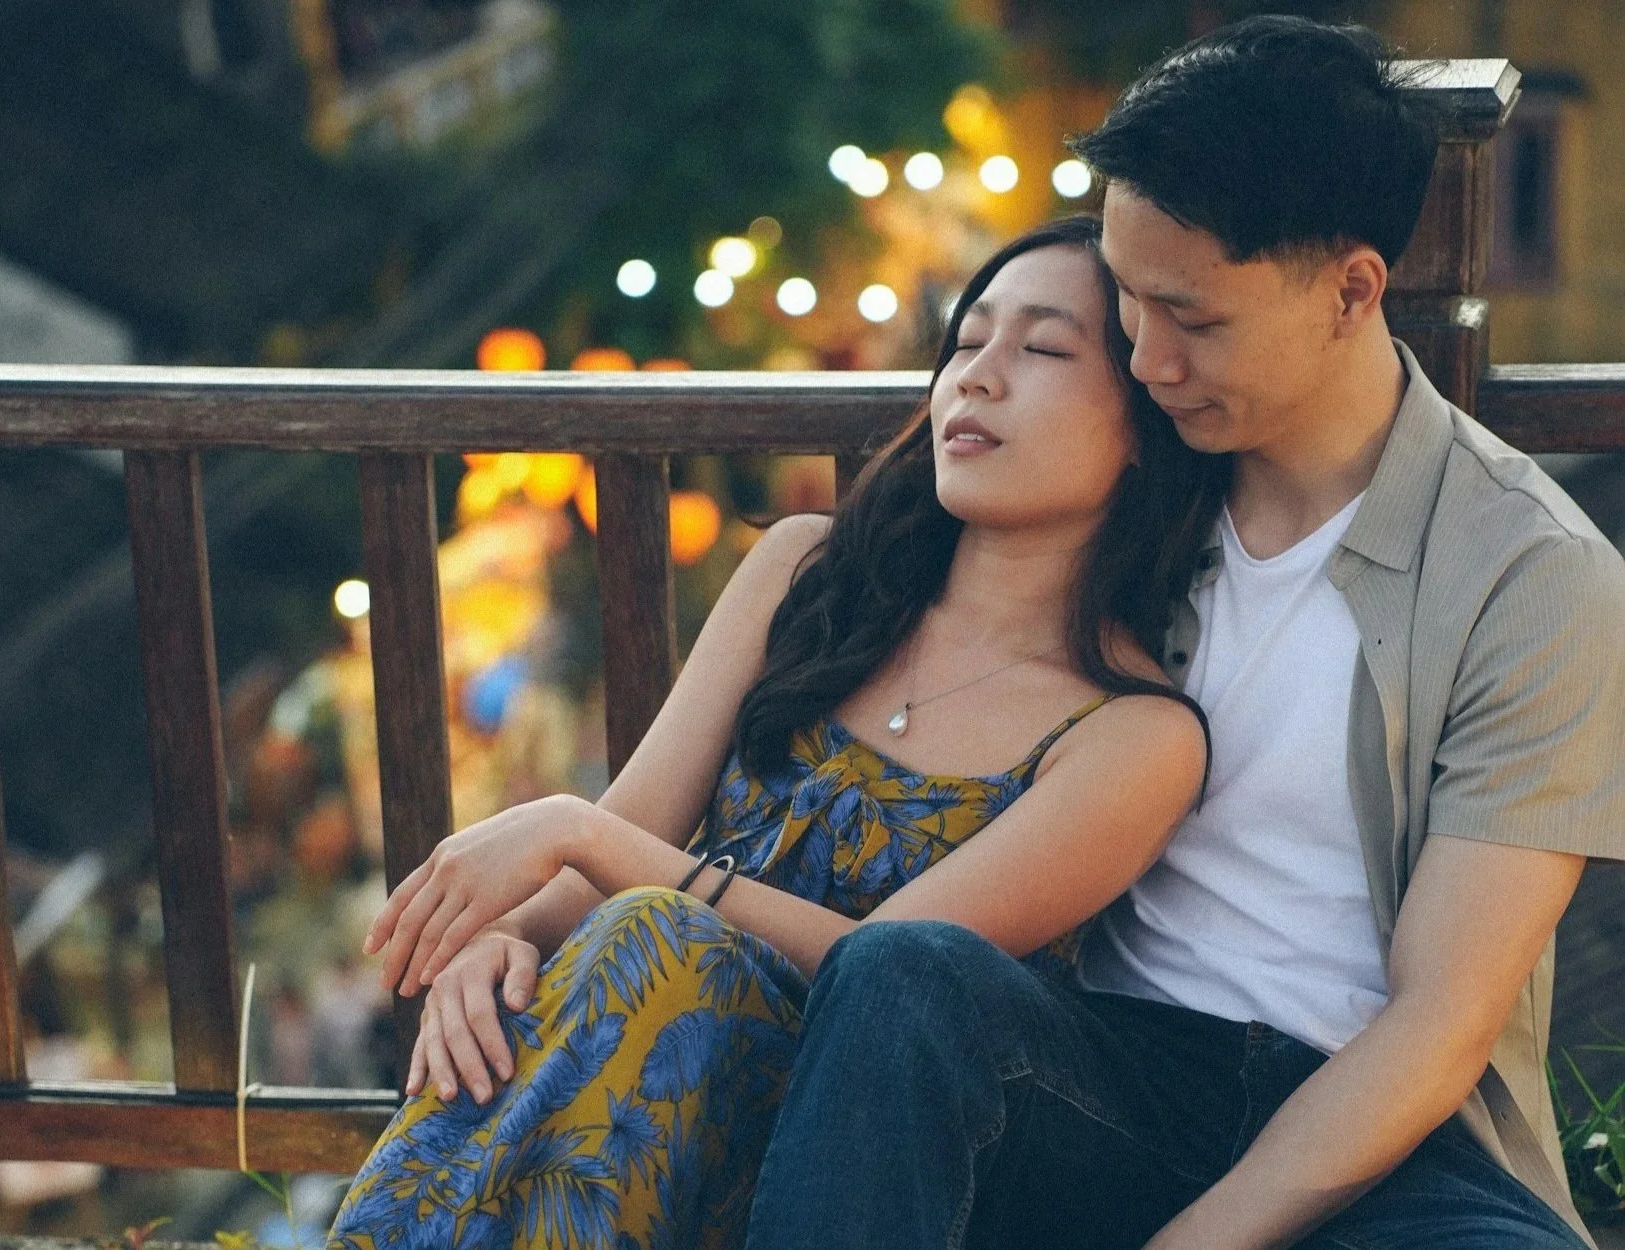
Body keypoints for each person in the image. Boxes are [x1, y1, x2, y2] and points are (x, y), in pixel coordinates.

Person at [741, 16, 1625, 1250]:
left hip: (1381, 1133)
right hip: (1101, 1066)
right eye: (1125, 305)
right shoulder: (1128, 484)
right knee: (904, 976)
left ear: (1351, 289)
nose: (1145, 360)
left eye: (1190, 318)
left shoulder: (1528, 575)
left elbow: (1438, 1023)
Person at [325, 214, 1229, 1249]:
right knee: (614, 950)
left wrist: (599, 845)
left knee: (654, 935)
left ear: (1139, 427)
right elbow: (631, 823)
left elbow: (888, 976)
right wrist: (504, 938)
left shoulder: (1131, 734)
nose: (974, 378)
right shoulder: (810, 572)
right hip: (624, 1052)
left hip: (828, 1150)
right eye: (966, 340)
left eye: (1041, 349)